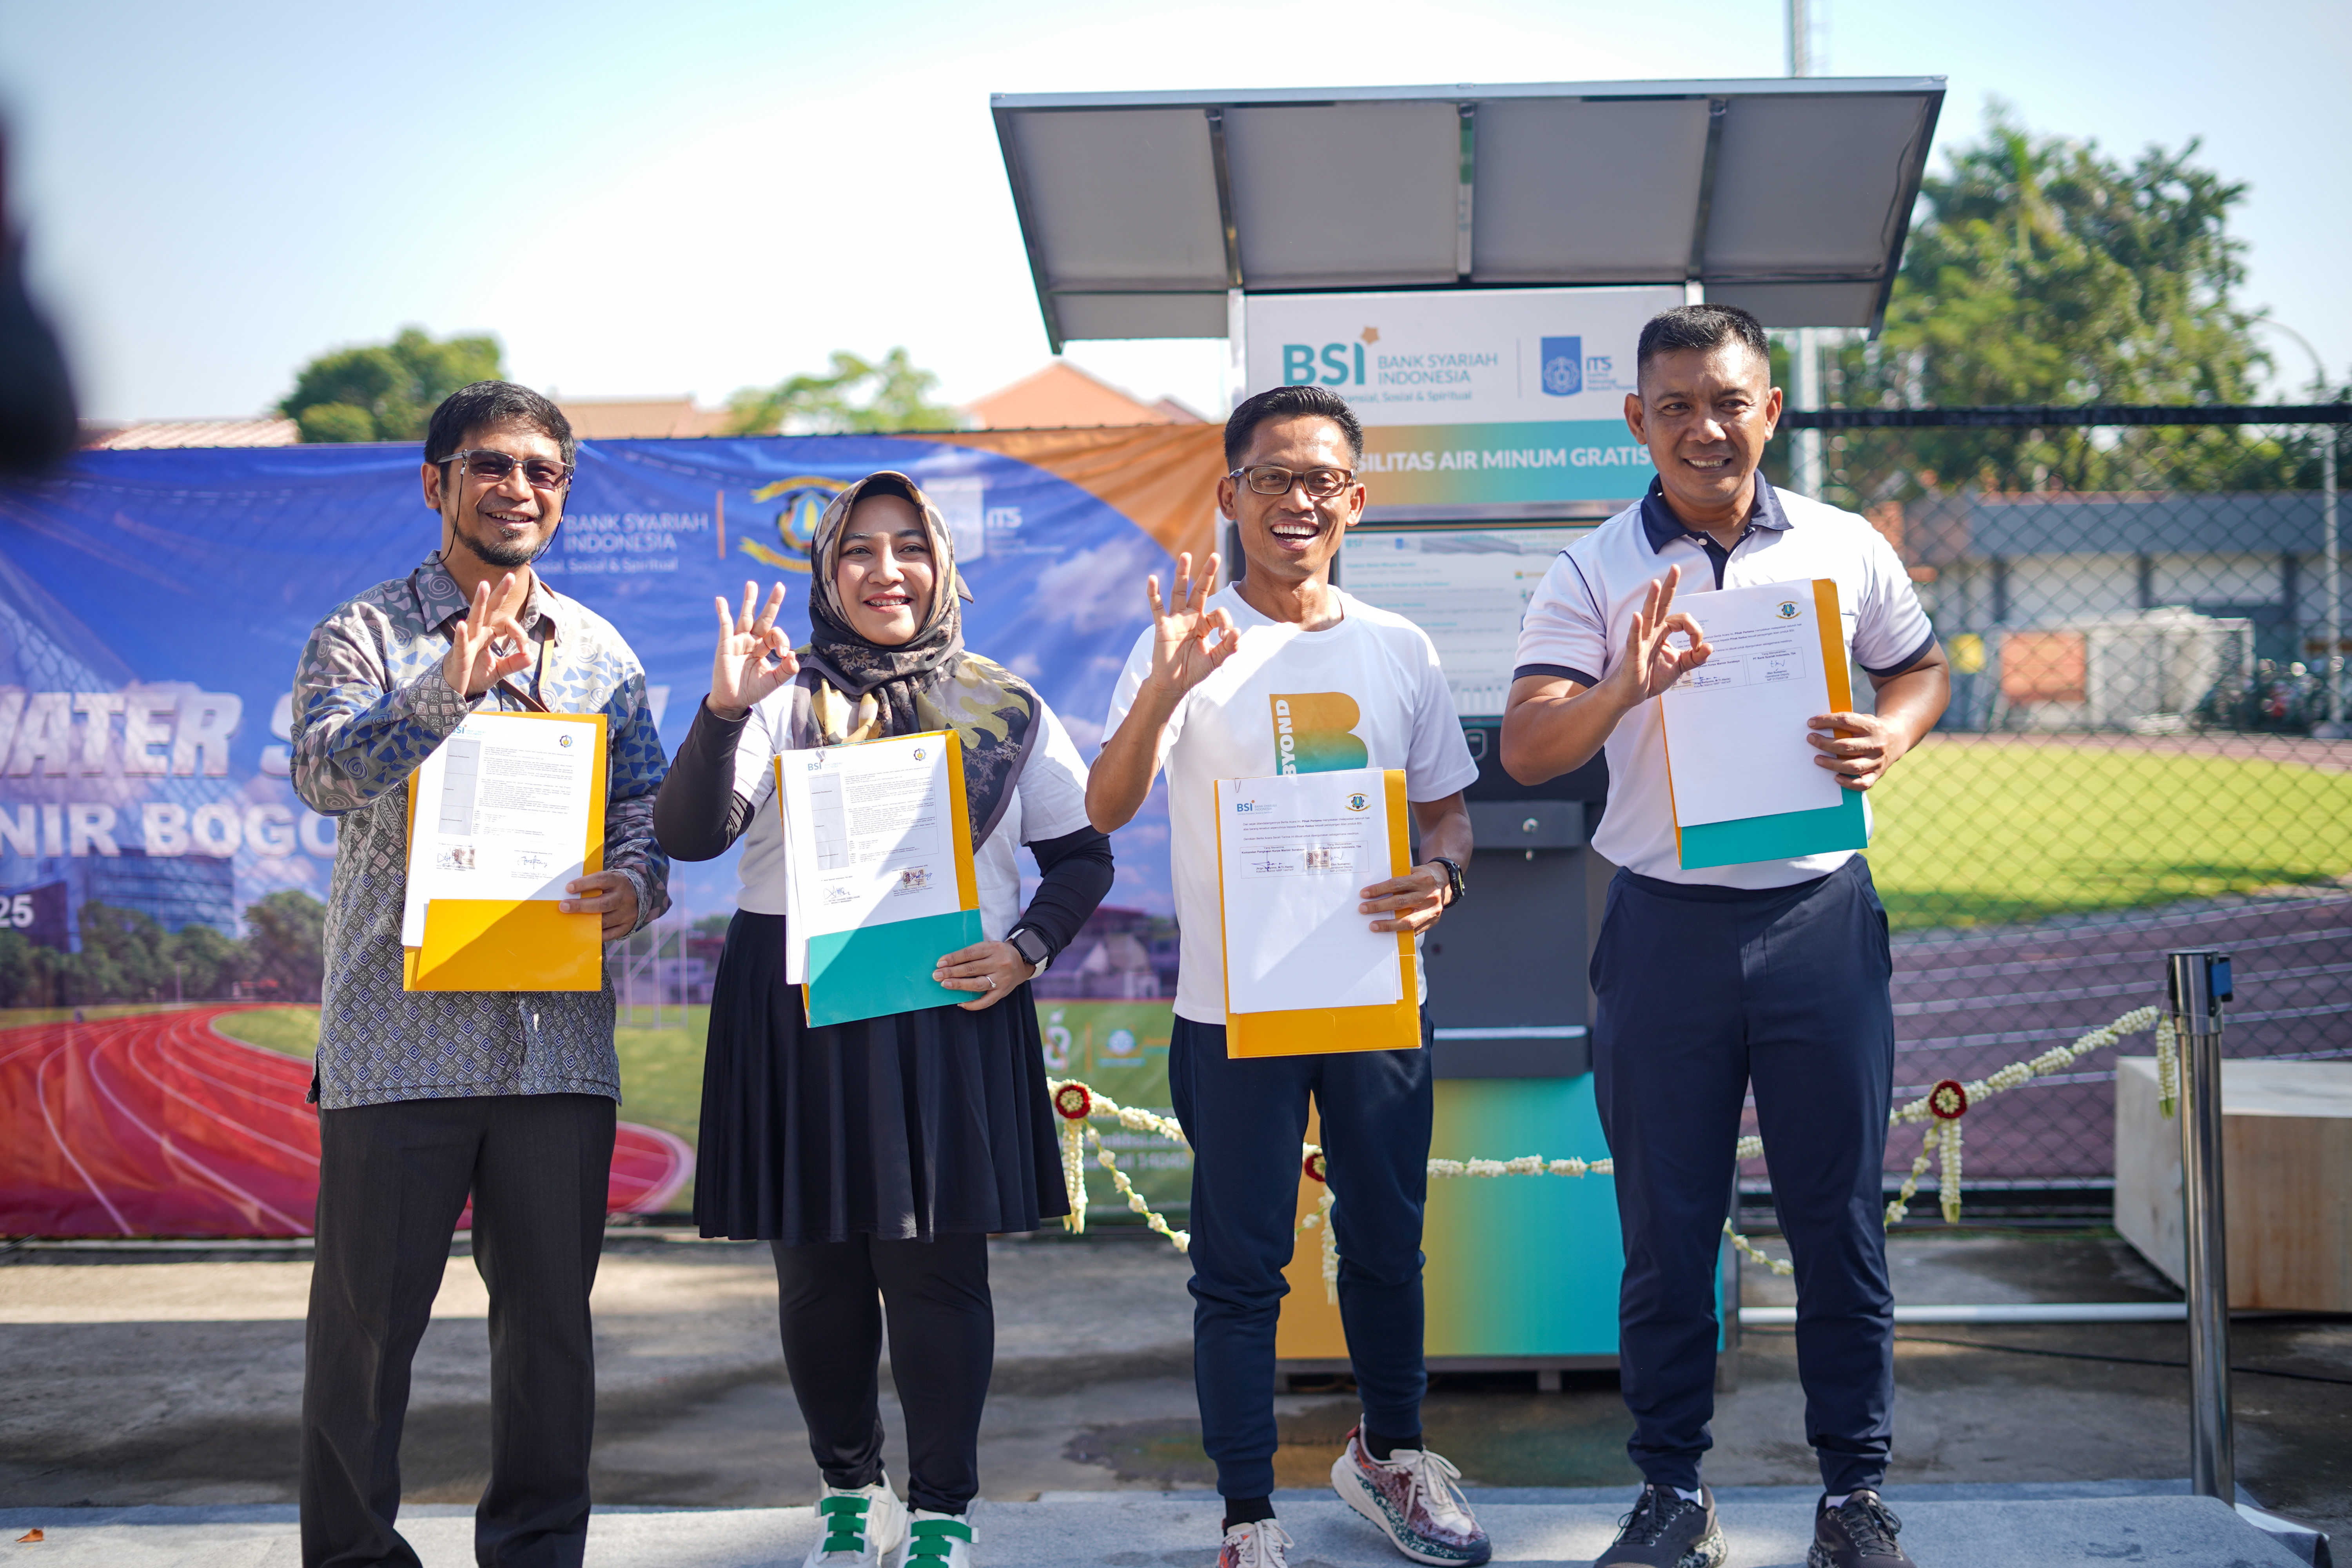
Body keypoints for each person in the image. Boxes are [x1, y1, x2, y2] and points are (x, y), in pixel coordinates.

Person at [1500, 304, 1949, 1568]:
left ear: (1771, 408)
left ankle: (1853, 1496)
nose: (1707, 426)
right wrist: (1621, 687)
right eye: (1678, 405)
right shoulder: (1591, 572)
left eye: (1730, 399)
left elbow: (1920, 668)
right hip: (1662, 929)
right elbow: (1529, 750)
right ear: (1637, 421)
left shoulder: (1842, 544)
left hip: (1819, 920)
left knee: (1838, 1222)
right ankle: (1670, 1496)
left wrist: (1895, 733)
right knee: (1667, 1227)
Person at [653, 472, 1114, 1568]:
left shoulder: (1008, 703)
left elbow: (1081, 856)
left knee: (937, 1276)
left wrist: (1026, 949)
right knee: (816, 1271)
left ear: (943, 566)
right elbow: (690, 833)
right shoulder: (779, 691)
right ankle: (848, 1495)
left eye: (909, 547)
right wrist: (722, 714)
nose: (885, 571)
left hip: (950, 994)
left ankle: (944, 1511)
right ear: (827, 573)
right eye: (857, 550)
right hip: (797, 998)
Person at [1090, 386, 1489, 1568]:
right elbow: (1109, 808)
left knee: (1385, 1243)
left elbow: (1453, 819)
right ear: (1231, 496)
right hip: (1234, 1011)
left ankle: (1392, 1459)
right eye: (1272, 478)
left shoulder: (1398, 647)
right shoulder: (1181, 641)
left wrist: (1443, 881)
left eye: (1321, 481)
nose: (1297, 500)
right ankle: (1248, 1516)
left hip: (1373, 999)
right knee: (1240, 1269)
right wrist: (1168, 680)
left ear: (1355, 503)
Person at [290, 381, 671, 1568]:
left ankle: (538, 1551)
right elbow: (323, 775)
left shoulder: (600, 650)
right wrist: (447, 685)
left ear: (563, 496)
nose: (519, 490)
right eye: (492, 466)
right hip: (394, 1045)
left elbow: (646, 810)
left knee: (551, 1338)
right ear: (437, 484)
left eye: (543, 473)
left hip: (556, 1048)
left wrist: (637, 887)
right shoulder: (365, 634)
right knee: (363, 1340)